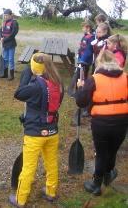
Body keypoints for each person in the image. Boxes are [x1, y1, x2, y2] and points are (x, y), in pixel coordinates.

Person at [9, 53, 64, 207]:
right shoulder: (58, 83)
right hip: (52, 130)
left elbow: (19, 93)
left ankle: (20, 199)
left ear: (34, 67)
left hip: (35, 133)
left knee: (28, 167)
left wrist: (27, 73)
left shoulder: (35, 86)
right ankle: (51, 191)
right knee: (51, 162)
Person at [75, 50, 128, 196]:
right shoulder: (125, 77)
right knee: (112, 150)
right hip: (122, 120)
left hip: (101, 122)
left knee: (101, 153)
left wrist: (80, 87)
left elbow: (81, 102)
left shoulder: (94, 79)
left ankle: (96, 185)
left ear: (99, 62)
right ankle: (108, 173)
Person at [0, 8, 19, 80]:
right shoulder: (3, 23)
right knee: (5, 59)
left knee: (10, 59)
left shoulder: (14, 22)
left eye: (7, 15)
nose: (5, 17)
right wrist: (1, 37)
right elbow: (0, 32)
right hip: (4, 44)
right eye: (4, 15)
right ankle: (5, 74)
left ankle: (12, 75)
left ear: (10, 15)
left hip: (11, 44)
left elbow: (13, 33)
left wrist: (5, 39)